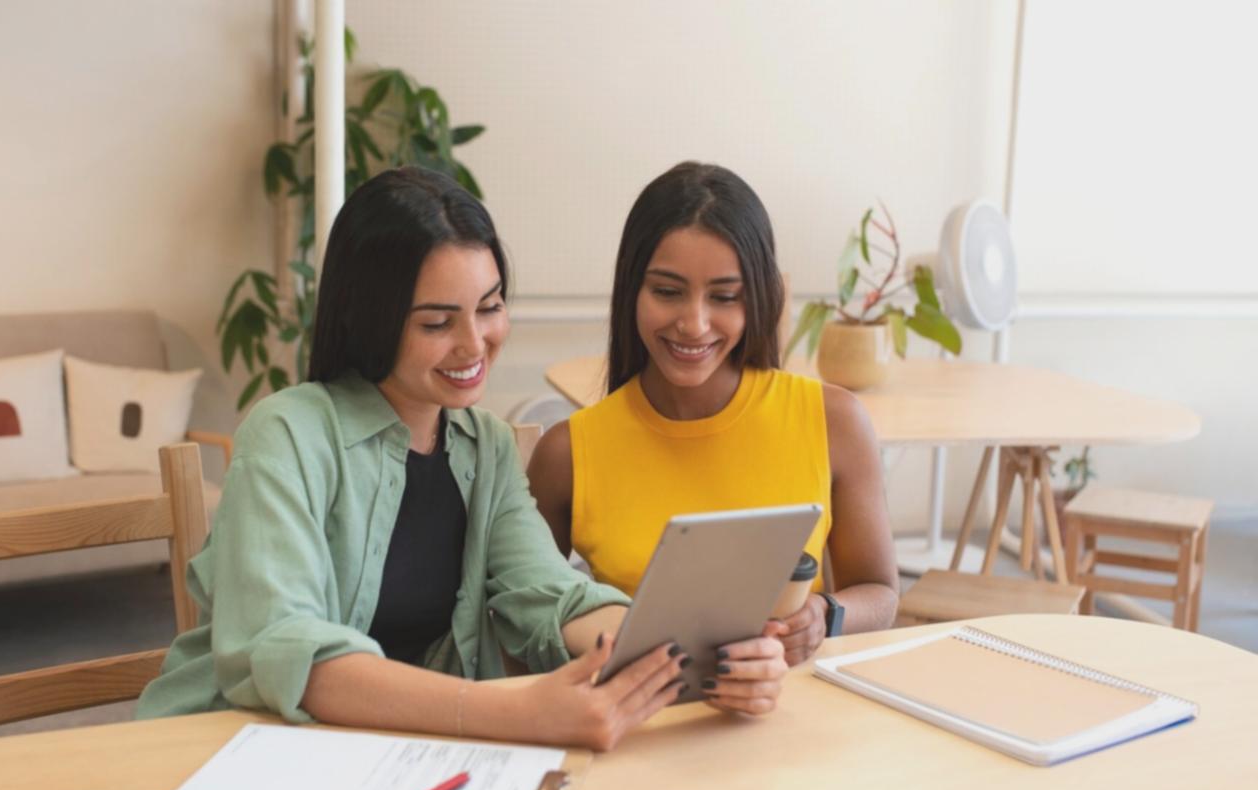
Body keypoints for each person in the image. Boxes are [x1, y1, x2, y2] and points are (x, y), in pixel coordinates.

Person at [137, 167, 789, 750]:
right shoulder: (288, 433)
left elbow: (552, 596)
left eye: (490, 307)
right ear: (372, 319)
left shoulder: (486, 447)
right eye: (436, 322)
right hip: (233, 752)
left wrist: (693, 654)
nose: (475, 343)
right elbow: (289, 651)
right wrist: (518, 713)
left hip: (394, 758)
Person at [528, 162, 898, 670]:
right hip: (636, 709)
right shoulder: (567, 453)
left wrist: (824, 614)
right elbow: (526, 618)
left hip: (790, 704)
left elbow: (881, 593)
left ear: (756, 298)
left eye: (724, 297)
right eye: (667, 291)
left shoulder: (834, 422)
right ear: (632, 289)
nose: (694, 324)